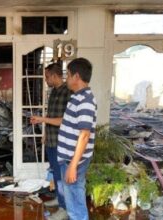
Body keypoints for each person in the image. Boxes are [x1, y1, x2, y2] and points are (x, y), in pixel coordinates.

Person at [57, 58, 97, 220]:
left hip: (74, 161)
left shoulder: (85, 100)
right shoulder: (77, 97)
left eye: (68, 75)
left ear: (76, 77)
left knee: (75, 203)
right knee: (73, 199)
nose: (66, 78)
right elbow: (69, 124)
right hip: (68, 158)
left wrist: (73, 165)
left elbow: (84, 135)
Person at [30, 63, 71, 220]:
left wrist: (41, 119)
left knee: (62, 176)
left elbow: (65, 121)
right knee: (56, 174)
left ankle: (64, 209)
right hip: (52, 141)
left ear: (54, 76)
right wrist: (46, 134)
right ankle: (59, 199)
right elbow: (52, 114)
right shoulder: (53, 92)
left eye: (47, 77)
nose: (45, 80)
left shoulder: (68, 93)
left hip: (63, 143)